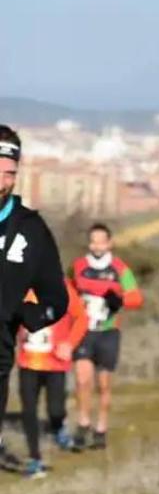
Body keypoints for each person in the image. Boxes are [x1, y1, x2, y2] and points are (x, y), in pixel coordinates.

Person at [0, 126, 69, 474]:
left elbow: (57, 296)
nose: (1, 179)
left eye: (9, 172)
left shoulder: (30, 228)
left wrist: (29, 314)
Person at [71, 222, 144, 450]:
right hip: (84, 331)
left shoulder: (120, 268)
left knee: (103, 385)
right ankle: (83, 424)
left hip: (108, 332)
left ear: (109, 243)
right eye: (93, 241)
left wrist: (120, 300)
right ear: (89, 243)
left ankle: (101, 428)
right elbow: (68, 292)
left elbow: (137, 298)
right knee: (83, 381)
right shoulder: (79, 266)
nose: (97, 245)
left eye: (102, 241)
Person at [16, 281, 87, 476]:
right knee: (28, 410)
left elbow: (82, 318)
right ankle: (34, 458)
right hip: (28, 362)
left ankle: (58, 427)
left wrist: (70, 344)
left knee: (56, 409)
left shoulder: (62, 288)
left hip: (55, 362)